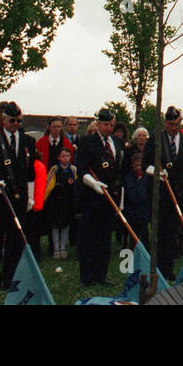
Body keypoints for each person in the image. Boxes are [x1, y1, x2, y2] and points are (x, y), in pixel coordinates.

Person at [0, 101, 38, 291]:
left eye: (18, 121)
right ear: (3, 120)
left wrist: (31, 196)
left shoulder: (28, 141)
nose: (15, 125)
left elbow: (30, 173)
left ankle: (10, 278)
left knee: (15, 241)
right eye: (12, 121)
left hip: (19, 198)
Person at [74, 108, 124, 286]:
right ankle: (87, 277)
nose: (108, 128)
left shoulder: (117, 142)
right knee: (89, 238)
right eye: (105, 125)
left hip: (110, 198)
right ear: (98, 124)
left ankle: (101, 275)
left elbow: (120, 170)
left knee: (104, 239)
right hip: (91, 198)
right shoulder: (87, 142)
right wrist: (93, 184)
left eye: (111, 125)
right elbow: (81, 169)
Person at [146, 105, 183, 270]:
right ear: (165, 122)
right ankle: (157, 268)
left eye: (176, 124)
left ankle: (169, 267)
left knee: (173, 232)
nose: (173, 128)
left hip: (179, 193)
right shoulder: (155, 139)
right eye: (170, 124)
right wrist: (157, 173)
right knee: (159, 232)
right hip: (160, 193)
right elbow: (146, 164)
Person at [36, 117, 73, 258]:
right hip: (45, 184)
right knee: (47, 217)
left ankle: (58, 247)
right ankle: (50, 246)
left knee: (61, 219)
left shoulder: (66, 143)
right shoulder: (41, 143)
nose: (57, 129)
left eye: (59, 127)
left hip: (62, 188)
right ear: (49, 127)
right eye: (54, 127)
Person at [121, 149, 151, 247]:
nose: (138, 168)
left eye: (140, 165)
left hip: (144, 213)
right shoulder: (128, 178)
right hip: (131, 213)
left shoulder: (147, 178)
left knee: (144, 235)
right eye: (136, 165)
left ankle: (145, 254)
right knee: (133, 238)